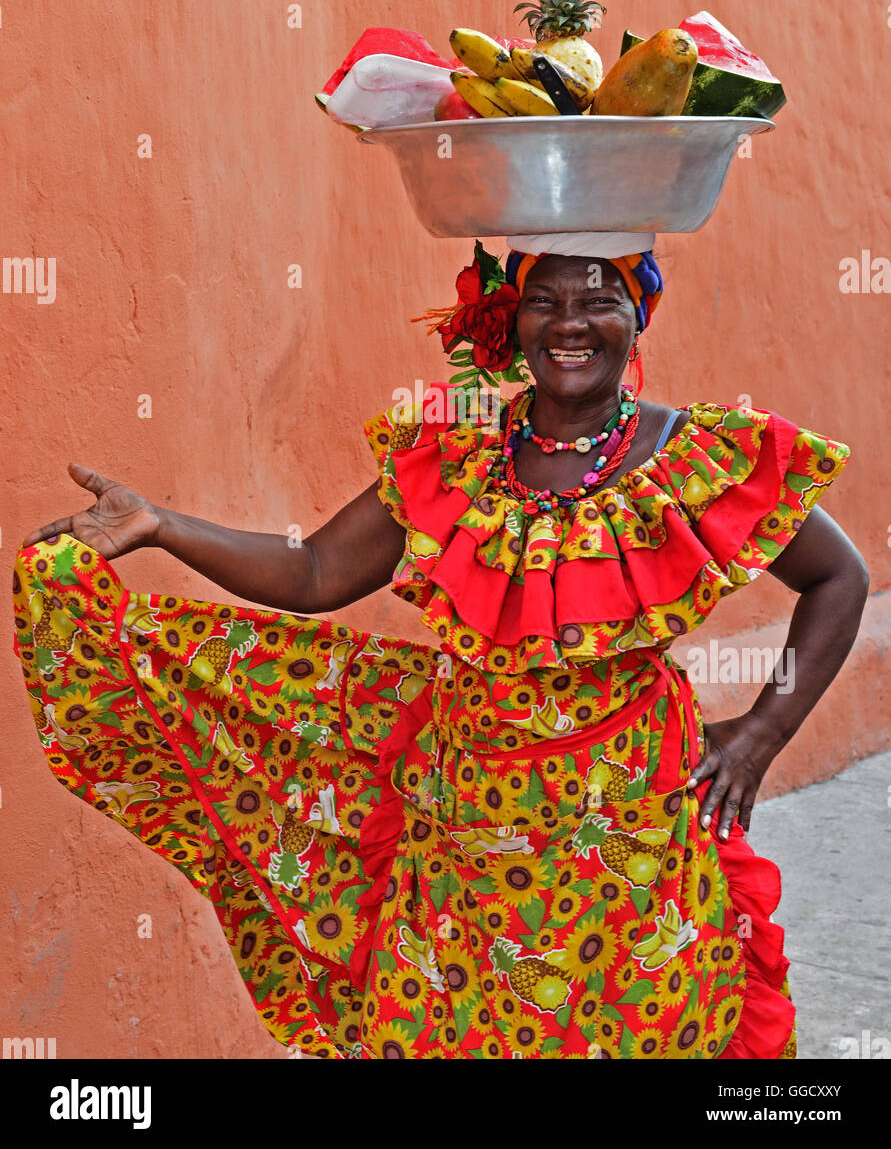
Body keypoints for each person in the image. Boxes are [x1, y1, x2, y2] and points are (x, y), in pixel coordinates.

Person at [12, 231, 868, 1060]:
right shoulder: (455, 452)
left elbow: (838, 578)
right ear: (513, 320)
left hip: (633, 829)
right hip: (463, 827)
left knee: (640, 1026)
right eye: (544, 301)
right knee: (458, 1028)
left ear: (638, 315)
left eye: (599, 299)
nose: (569, 323)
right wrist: (162, 526)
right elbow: (313, 572)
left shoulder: (694, 457)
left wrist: (762, 732)